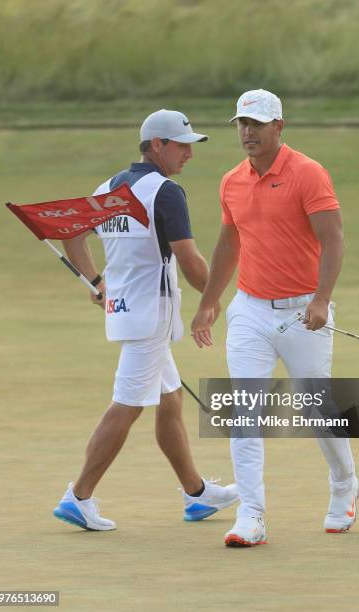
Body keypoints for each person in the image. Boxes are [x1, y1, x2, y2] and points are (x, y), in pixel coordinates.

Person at [54, 109, 238, 531]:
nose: (189, 153)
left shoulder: (109, 186)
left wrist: (96, 281)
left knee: (170, 398)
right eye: (181, 145)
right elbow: (189, 258)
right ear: (157, 144)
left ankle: (196, 494)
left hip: (126, 312)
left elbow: (72, 235)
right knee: (127, 406)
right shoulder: (166, 192)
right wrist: (211, 300)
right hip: (150, 317)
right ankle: (78, 496)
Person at [191, 90, 359, 547]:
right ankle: (251, 514)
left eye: (258, 124)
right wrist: (210, 301)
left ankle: (344, 485)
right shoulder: (231, 181)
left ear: (279, 127)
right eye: (242, 123)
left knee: (316, 409)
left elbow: (334, 239)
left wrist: (322, 300)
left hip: (303, 311)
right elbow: (229, 243)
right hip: (249, 310)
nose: (248, 132)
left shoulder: (308, 174)